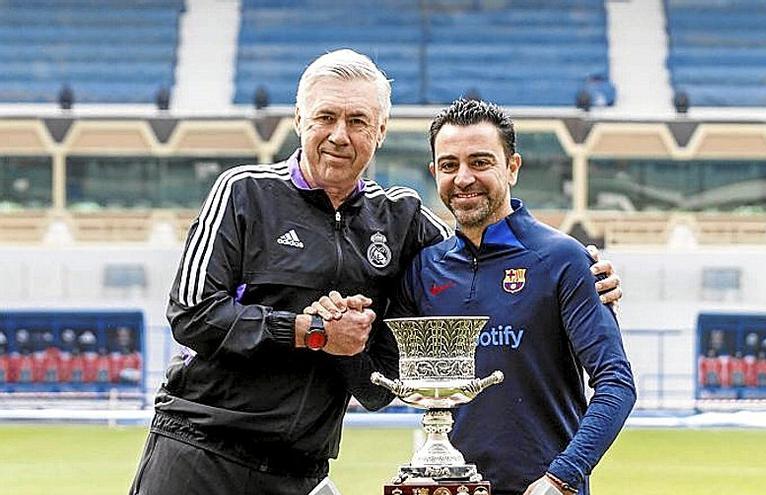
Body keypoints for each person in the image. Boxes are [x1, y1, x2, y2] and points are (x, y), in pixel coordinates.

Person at [130, 49, 622, 495]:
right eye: (326, 116)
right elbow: (191, 313)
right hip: (199, 448)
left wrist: (585, 265)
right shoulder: (244, 192)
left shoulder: (402, 219)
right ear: (299, 119)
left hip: (302, 469)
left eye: (358, 121)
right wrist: (310, 331)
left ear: (380, 132)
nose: (339, 135)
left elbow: (479, 245)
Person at [388, 100, 635, 495]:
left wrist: (563, 476)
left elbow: (616, 383)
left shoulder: (564, 259)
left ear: (512, 167)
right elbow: (381, 371)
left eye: (480, 162)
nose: (464, 177)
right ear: (435, 173)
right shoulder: (423, 268)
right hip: (451, 486)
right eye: (450, 165)